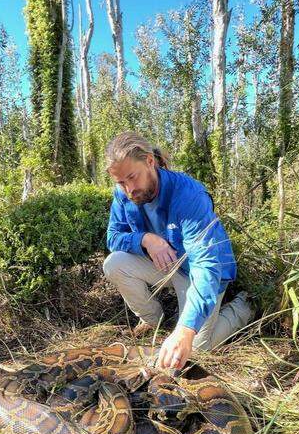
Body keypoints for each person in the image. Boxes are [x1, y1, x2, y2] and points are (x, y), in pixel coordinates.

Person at [103, 131, 253, 370]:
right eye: (121, 182)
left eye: (132, 177)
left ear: (150, 161)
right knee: (114, 263)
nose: (129, 189)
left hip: (198, 272)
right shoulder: (123, 195)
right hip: (167, 264)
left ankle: (244, 307)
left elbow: (206, 265)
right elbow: (113, 238)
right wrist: (146, 239)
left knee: (193, 351)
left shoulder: (189, 195)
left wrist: (185, 331)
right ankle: (154, 320)